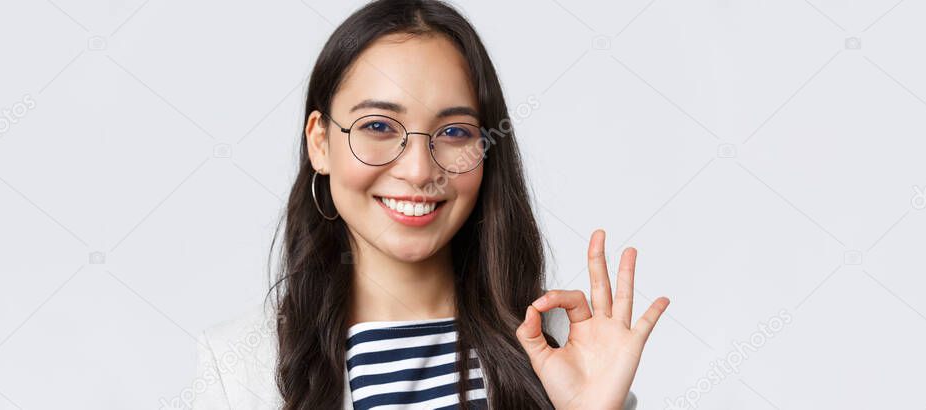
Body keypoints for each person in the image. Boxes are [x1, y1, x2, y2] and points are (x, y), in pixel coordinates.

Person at [193, 1, 669, 408]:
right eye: (378, 126)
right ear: (320, 142)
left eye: (455, 132)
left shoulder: (564, 345)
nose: (419, 170)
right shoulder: (239, 365)